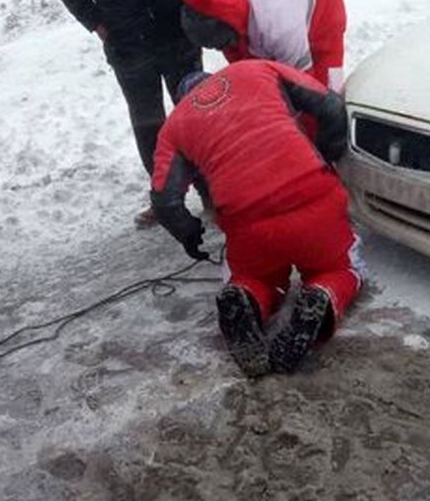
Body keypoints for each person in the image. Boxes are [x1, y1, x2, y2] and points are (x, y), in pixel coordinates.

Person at [150, 60, 364, 376]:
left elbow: (164, 201)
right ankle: (322, 294)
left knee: (256, 276)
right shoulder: (255, 70)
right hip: (311, 194)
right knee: (340, 267)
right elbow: (330, 105)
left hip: (248, 220)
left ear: (182, 99)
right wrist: (327, 152)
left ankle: (247, 298)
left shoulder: (175, 125)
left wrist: (190, 234)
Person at [51, 0, 222, 225]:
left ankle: (213, 194)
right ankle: (166, 201)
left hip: (176, 44)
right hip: (128, 51)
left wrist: (199, 11)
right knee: (148, 125)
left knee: (194, 116)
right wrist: (94, 22)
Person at [178, 0, 347, 92]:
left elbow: (303, 85)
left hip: (322, 3)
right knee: (253, 80)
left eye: (223, 43)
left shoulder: (281, 26)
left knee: (325, 91)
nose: (220, 50)